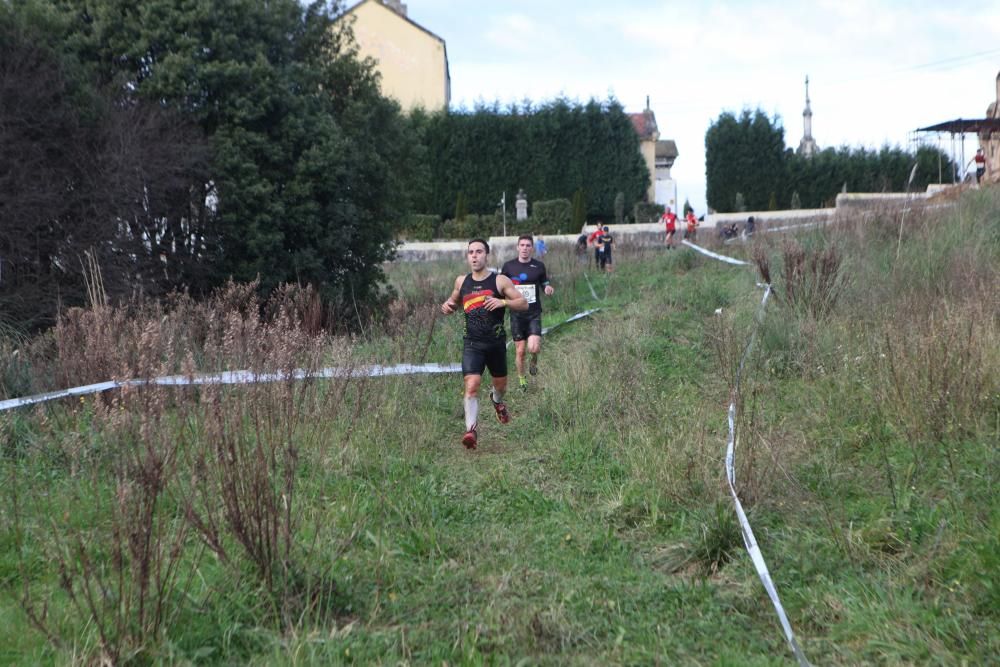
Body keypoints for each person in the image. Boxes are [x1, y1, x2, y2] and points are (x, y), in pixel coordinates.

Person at [441, 239, 528, 449]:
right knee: (471, 386)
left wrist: (503, 302)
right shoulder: (461, 281)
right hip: (472, 344)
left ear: (486, 255)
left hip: (496, 344)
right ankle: (471, 430)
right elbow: (454, 301)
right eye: (471, 252)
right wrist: (448, 306)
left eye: (479, 251)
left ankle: (497, 401)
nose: (474, 256)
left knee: (501, 387)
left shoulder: (500, 281)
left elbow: (523, 303)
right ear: (467, 256)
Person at [501, 235, 554, 392]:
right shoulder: (508, 266)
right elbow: (500, 286)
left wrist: (547, 288)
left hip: (534, 313)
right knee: (520, 350)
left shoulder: (539, 266)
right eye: (522, 245)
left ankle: (534, 361)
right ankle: (522, 380)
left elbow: (545, 282)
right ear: (517, 247)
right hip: (516, 314)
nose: (524, 248)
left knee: (534, 348)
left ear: (532, 248)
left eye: (527, 245)